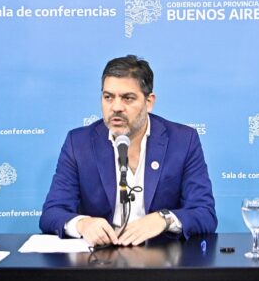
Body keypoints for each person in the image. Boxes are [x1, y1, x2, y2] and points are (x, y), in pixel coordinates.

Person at [40, 54, 217, 245]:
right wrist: (83, 224)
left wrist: (164, 219)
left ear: (149, 102)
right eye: (108, 97)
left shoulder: (183, 141)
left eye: (128, 98)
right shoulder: (79, 143)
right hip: (102, 256)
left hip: (162, 255)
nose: (116, 107)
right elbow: (52, 213)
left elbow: (204, 213)